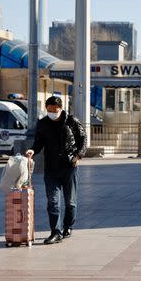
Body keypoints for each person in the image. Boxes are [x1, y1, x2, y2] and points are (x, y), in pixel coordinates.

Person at [26, 96, 87, 245]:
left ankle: (68, 226)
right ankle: (55, 231)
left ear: (61, 108)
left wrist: (78, 156)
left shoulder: (71, 121)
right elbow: (38, 142)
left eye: (55, 110)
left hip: (69, 167)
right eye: (50, 110)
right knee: (53, 202)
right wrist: (33, 150)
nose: (53, 112)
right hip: (51, 168)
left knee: (70, 202)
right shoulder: (43, 123)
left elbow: (83, 139)